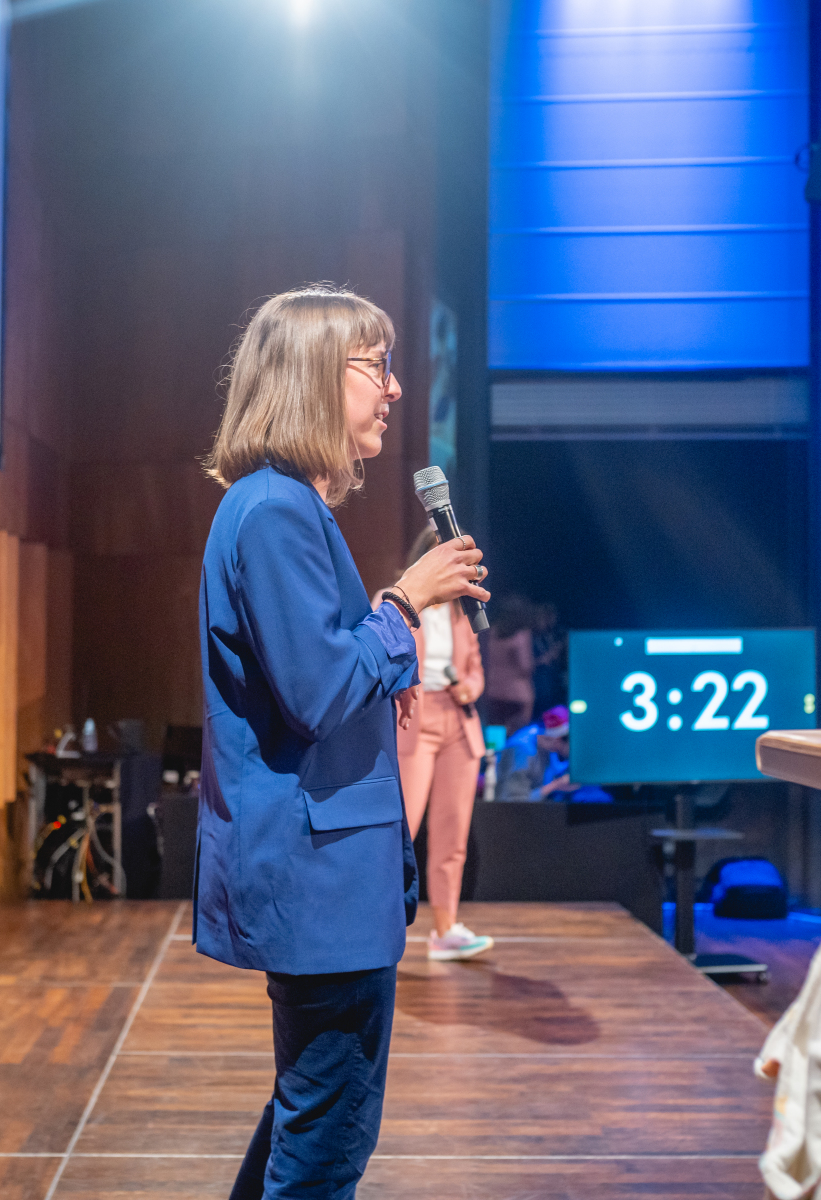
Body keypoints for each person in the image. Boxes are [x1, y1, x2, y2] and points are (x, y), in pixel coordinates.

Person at [197, 285, 491, 1200]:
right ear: (316, 377)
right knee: (324, 1149)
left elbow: (320, 672)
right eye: (378, 366)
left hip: (326, 877)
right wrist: (405, 602)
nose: (394, 389)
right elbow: (320, 689)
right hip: (317, 881)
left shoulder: (279, 506)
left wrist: (385, 644)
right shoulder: (275, 510)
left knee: (312, 1123)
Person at [393, 526, 493, 962]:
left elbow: (475, 671)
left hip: (458, 720)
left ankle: (446, 929)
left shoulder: (463, 611)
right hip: (415, 717)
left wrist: (468, 688)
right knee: (402, 829)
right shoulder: (397, 599)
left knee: (452, 835)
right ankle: (379, 924)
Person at [494, 706, 613, 803]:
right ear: (557, 740)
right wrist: (555, 786)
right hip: (510, 816)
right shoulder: (523, 750)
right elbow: (514, 802)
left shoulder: (549, 748)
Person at [482, 594, 536, 731]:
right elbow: (525, 667)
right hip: (516, 695)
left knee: (494, 736)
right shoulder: (521, 635)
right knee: (516, 737)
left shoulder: (490, 632)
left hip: (493, 691)